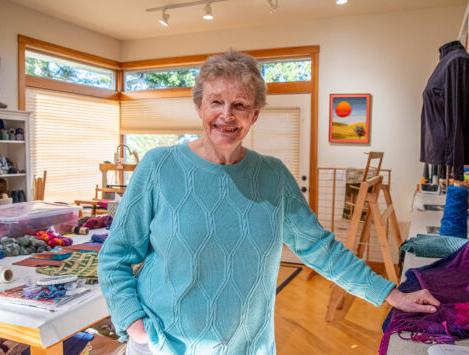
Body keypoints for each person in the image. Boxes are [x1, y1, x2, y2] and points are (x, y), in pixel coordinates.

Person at [98, 49, 440, 355]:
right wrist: (135, 326)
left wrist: (390, 294)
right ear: (199, 106)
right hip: (165, 346)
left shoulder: (272, 176)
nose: (227, 115)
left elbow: (320, 249)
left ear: (255, 114)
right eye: (216, 102)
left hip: (248, 346)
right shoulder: (159, 167)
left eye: (240, 105)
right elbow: (115, 257)